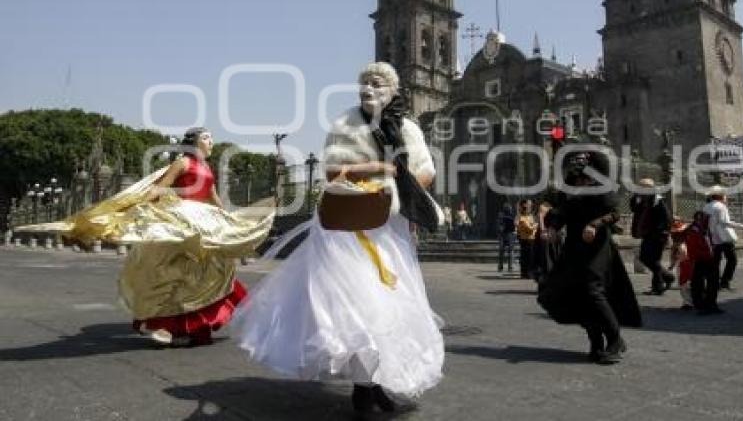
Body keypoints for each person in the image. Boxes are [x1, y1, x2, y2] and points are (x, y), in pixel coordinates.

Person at [233, 62, 444, 414]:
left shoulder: (408, 127)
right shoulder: (346, 123)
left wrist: (401, 195)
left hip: (390, 228)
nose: (369, 88)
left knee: (390, 305)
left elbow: (425, 172)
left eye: (377, 83)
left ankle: (374, 383)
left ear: (392, 90)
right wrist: (381, 170)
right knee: (358, 305)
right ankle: (363, 387)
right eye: (364, 82)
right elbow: (332, 170)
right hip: (349, 225)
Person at [19, 127, 273, 346]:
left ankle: (192, 325)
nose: (211, 142)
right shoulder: (182, 163)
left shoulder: (206, 166)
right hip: (182, 219)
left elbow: (213, 196)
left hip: (205, 221)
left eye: (211, 138)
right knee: (175, 272)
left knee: (212, 268)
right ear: (194, 141)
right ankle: (165, 326)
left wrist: (229, 218)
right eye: (207, 138)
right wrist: (136, 204)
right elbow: (162, 185)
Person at [538, 149, 641, 364]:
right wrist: (553, 229)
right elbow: (561, 213)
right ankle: (596, 343)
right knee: (578, 294)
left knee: (593, 290)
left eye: (582, 166)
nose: (578, 173)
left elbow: (614, 214)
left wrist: (595, 224)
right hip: (574, 247)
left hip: (597, 247)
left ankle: (615, 339)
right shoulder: (571, 188)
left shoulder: (601, 187)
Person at [630, 179, 675, 295]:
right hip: (647, 235)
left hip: (658, 236)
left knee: (654, 260)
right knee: (645, 258)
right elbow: (633, 208)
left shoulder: (658, 201)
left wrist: (660, 232)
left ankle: (658, 287)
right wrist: (635, 196)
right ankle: (667, 276)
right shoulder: (644, 201)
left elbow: (667, 219)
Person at [704, 186, 743, 290]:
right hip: (724, 237)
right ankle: (725, 281)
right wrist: (742, 226)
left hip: (712, 237)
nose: (726, 197)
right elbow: (725, 222)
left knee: (715, 261)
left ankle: (713, 283)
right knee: (732, 260)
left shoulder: (706, 207)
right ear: (720, 196)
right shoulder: (721, 207)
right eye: (724, 195)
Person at [515, 200, 538, 279]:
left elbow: (533, 225)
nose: (527, 208)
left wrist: (533, 226)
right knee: (525, 257)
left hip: (531, 239)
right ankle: (525, 273)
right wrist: (534, 226)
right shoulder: (520, 217)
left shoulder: (531, 216)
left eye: (528, 207)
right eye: (525, 207)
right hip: (525, 239)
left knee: (530, 257)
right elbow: (528, 228)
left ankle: (528, 273)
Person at [497, 201, 516, 273]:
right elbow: (499, 225)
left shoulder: (512, 215)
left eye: (509, 208)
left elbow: (514, 224)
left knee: (509, 251)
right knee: (503, 251)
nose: (508, 209)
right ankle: (502, 266)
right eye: (507, 208)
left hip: (509, 234)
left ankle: (509, 267)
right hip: (504, 234)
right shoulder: (501, 215)